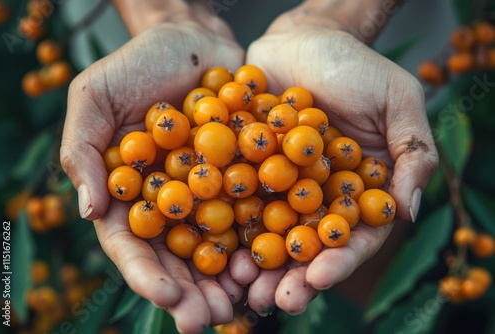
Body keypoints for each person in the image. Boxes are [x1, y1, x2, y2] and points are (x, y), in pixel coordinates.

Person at [60, 0, 439, 332]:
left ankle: (376, 317)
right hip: (147, 42)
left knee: (362, 260)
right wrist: (163, 13)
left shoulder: (285, 148)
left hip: (362, 49)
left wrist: (340, 15)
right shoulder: (212, 155)